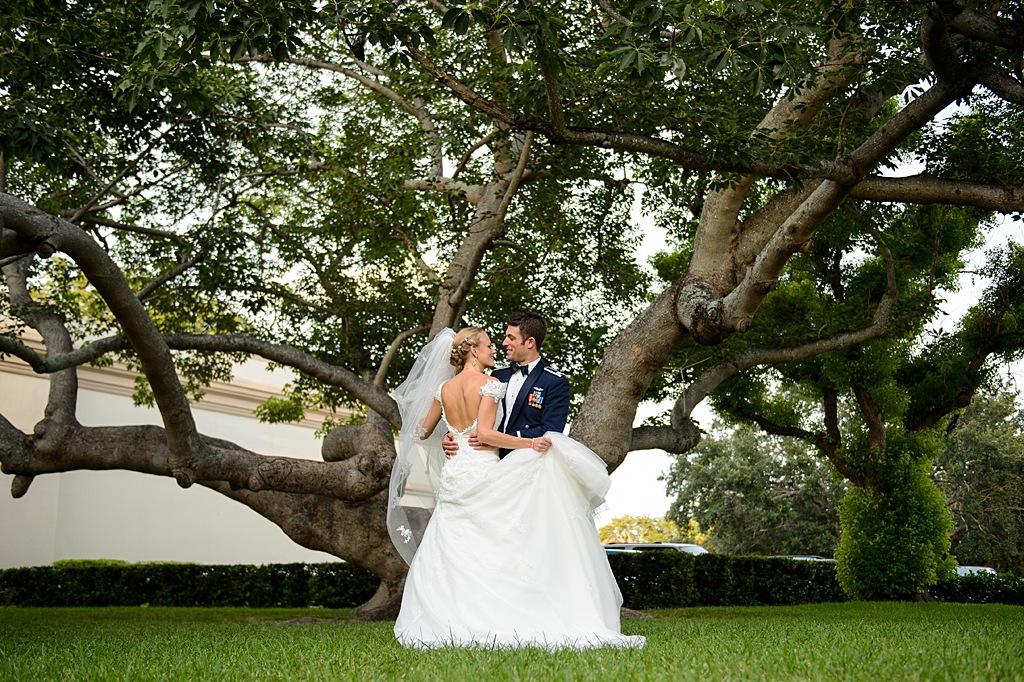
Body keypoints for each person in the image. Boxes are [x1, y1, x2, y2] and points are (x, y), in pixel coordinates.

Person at [387, 324, 644, 650]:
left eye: (507, 339)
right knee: (501, 543)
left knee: (461, 544)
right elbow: (487, 433)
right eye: (492, 344)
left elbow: (422, 431)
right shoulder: (494, 382)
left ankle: (454, 615)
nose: (498, 347)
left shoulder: (444, 388)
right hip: (485, 468)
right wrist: (520, 443)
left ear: (530, 341)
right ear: (475, 350)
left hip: (458, 475)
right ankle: (500, 613)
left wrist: (452, 434)